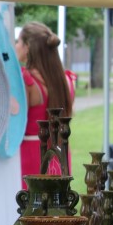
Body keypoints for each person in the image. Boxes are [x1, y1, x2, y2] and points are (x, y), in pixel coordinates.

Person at [14, 22, 76, 186]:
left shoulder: (27, 81)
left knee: (31, 200)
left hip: (31, 155)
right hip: (60, 154)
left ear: (27, 47)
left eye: (18, 41)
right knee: (57, 200)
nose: (16, 45)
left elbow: (15, 122)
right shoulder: (67, 81)